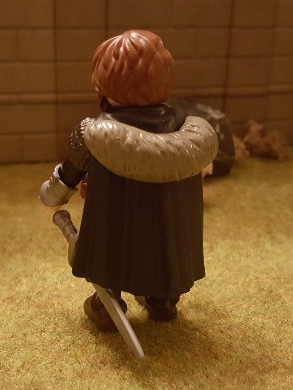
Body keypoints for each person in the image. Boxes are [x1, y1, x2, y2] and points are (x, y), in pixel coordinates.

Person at [40, 30, 217, 331]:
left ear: (104, 84)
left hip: (116, 224)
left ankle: (107, 306)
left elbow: (69, 174)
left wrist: (53, 193)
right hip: (171, 231)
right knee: (164, 249)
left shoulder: (92, 133)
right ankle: (163, 300)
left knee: (110, 252)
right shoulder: (186, 130)